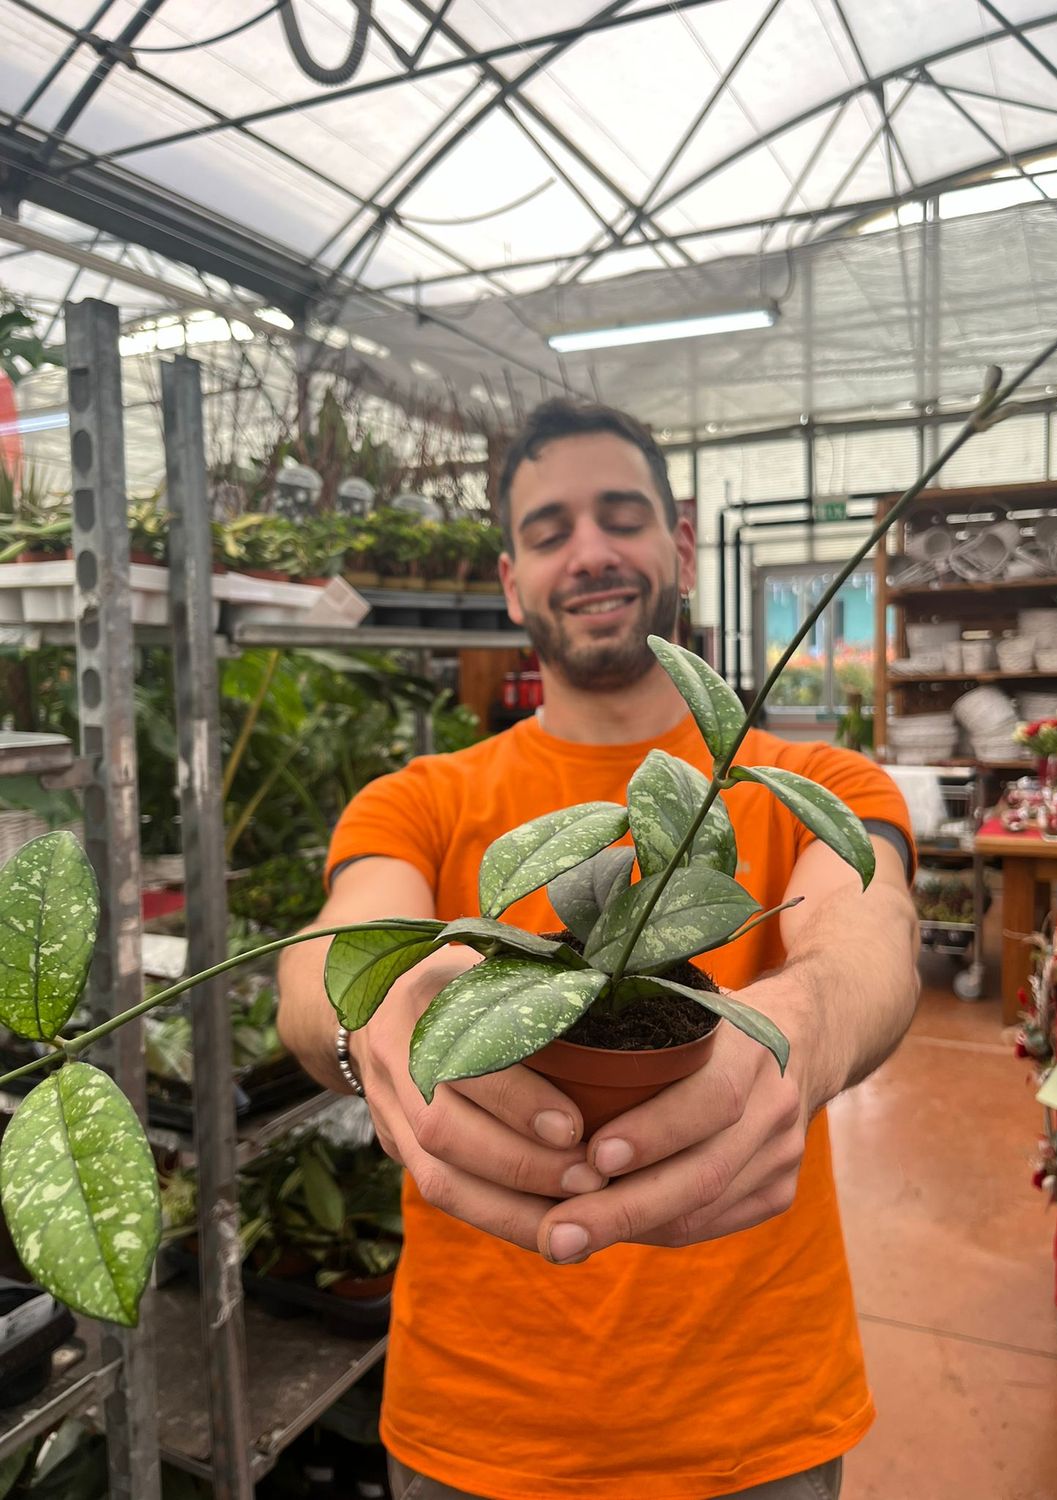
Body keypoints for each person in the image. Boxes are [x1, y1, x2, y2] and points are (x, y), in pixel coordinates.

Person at [277, 399, 919, 1500]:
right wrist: (372, 1025)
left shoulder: (816, 786)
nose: (589, 553)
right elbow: (330, 956)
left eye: (622, 517)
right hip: (476, 1426)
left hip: (754, 1417)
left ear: (680, 546)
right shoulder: (425, 799)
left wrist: (803, 1035)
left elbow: (868, 938)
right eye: (548, 530)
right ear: (512, 579)